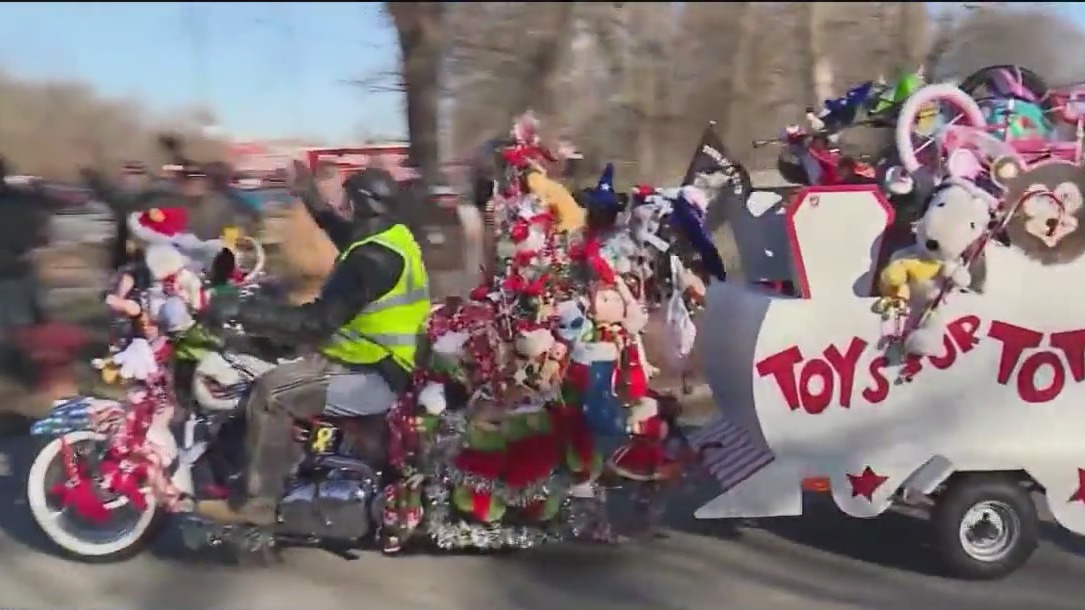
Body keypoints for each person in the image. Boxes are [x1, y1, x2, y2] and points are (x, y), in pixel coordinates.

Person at [195, 165, 431, 525]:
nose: (343, 207)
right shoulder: (390, 238)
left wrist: (243, 311)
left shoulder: (370, 260)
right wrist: (309, 197)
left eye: (346, 201)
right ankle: (290, 469)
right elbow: (345, 234)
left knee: (271, 393)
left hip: (371, 372)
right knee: (274, 361)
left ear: (361, 204)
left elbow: (316, 323)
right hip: (374, 359)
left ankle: (259, 503)